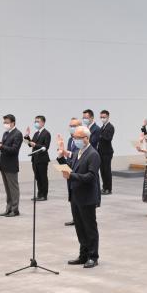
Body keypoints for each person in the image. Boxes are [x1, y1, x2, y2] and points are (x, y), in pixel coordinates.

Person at [56, 127, 101, 268]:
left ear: (86, 138)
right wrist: (60, 158)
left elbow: (91, 176)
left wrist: (72, 176)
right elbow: (70, 167)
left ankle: (93, 256)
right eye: (74, 137)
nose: (75, 140)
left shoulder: (93, 154)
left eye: (78, 138)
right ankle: (83, 255)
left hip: (87, 197)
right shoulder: (77, 152)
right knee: (80, 227)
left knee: (89, 227)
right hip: (75, 195)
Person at [0, 114, 22, 217]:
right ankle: (8, 208)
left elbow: (14, 150)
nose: (5, 124)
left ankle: (15, 209)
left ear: (13, 123)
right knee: (7, 189)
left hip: (11, 165)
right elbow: (4, 146)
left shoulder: (18, 134)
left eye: (7, 122)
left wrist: (0, 146)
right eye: (4, 122)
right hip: (4, 164)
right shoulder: (6, 133)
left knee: (13, 188)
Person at [24, 115, 51, 201]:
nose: (36, 123)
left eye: (37, 121)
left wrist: (35, 145)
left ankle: (44, 195)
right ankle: (39, 194)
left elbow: (46, 147)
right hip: (35, 159)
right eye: (35, 121)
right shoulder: (36, 133)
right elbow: (30, 144)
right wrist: (27, 137)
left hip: (42, 159)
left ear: (43, 123)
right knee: (37, 177)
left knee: (43, 177)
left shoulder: (46, 133)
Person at [62, 117, 81, 226]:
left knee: (78, 194)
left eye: (74, 126)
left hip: (78, 171)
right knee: (71, 195)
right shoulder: (70, 140)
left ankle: (80, 217)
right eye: (70, 126)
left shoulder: (81, 140)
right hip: (70, 169)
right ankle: (75, 217)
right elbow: (69, 156)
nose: (72, 128)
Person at [97, 110, 115, 195]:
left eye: (104, 117)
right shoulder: (102, 127)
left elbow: (108, 138)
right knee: (102, 170)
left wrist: (100, 135)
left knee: (107, 170)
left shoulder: (110, 127)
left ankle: (108, 188)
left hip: (107, 152)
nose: (102, 118)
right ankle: (104, 187)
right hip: (101, 152)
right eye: (101, 117)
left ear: (108, 117)